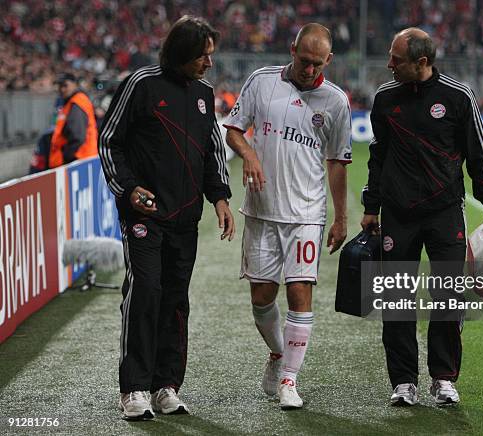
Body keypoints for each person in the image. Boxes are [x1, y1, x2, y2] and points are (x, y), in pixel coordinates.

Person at [98, 16, 235, 421]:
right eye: (203, 56)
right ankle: (134, 388)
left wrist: (221, 198)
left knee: (176, 300)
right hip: (145, 216)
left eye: (211, 55)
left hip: (185, 217)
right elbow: (109, 142)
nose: (209, 63)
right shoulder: (141, 84)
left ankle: (166, 386)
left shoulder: (205, 94)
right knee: (145, 292)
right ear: (181, 53)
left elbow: (213, 151)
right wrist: (128, 189)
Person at [361, 28, 483, 406]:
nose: (389, 64)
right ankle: (404, 381)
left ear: (422, 62)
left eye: (397, 59)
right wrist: (370, 206)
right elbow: (378, 155)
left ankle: (443, 378)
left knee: (446, 297)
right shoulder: (384, 97)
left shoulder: (458, 96)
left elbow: (479, 153)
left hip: (444, 211)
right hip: (398, 212)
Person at [224, 23, 352, 410]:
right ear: (292, 49)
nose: (309, 69)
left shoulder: (336, 102)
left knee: (300, 292)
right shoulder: (261, 81)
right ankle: (279, 354)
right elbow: (233, 130)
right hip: (262, 210)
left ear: (328, 60)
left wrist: (341, 218)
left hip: (306, 213)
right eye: (304, 60)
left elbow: (337, 163)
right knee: (261, 297)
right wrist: (249, 154)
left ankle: (289, 381)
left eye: (317, 63)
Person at [48, 73, 98, 168]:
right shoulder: (71, 102)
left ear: (74, 84)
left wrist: (66, 158)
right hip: (83, 159)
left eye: (65, 85)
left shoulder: (77, 102)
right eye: (60, 86)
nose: (62, 89)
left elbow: (77, 136)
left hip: (80, 161)